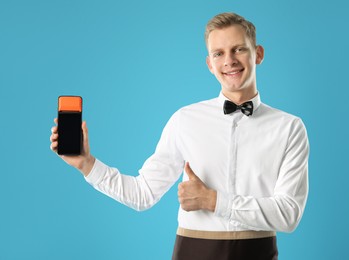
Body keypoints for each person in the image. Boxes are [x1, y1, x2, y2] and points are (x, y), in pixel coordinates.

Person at [50, 12, 309, 260]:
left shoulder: (289, 128)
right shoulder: (185, 120)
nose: (229, 60)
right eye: (219, 53)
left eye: (238, 49)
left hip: (258, 253)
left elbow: (288, 215)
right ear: (210, 64)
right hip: (192, 251)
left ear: (258, 54)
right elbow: (142, 194)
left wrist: (213, 201)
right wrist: (87, 165)